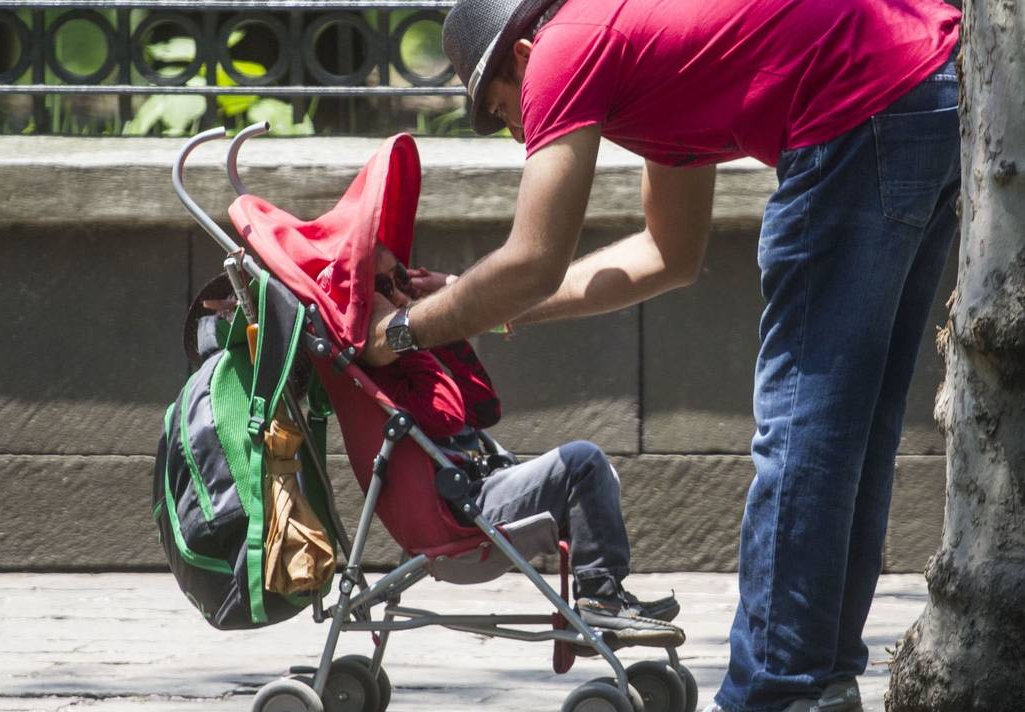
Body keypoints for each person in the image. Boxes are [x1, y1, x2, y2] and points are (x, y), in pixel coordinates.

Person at [361, 0, 962, 710]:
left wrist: (398, 334)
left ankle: (774, 693)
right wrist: (473, 299)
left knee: (802, 430)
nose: (513, 130)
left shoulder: (561, 50)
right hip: (926, 86)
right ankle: (820, 681)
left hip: (860, 109)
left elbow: (532, 259)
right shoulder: (641, 60)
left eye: (501, 109)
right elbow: (667, 256)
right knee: (846, 430)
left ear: (522, 55)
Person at [319, 244, 685, 646]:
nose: (400, 293)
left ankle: (603, 598)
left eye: (401, 277)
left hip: (477, 489)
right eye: (384, 287)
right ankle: (601, 600)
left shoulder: (403, 351)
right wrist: (405, 334)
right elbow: (446, 415)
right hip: (462, 511)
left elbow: (483, 407)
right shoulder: (382, 366)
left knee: (596, 476)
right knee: (583, 463)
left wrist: (436, 319)